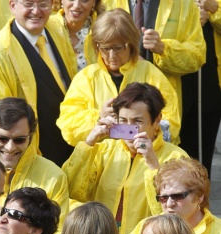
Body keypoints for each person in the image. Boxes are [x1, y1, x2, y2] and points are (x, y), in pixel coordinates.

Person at [62, 82, 187, 234]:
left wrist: (154, 167)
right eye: (123, 120)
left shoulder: (176, 158)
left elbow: (174, 217)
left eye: (137, 122)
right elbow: (71, 192)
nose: (129, 129)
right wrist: (87, 145)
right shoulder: (104, 150)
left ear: (157, 121)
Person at [57, 9, 180, 147]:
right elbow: (68, 126)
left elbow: (171, 123)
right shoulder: (86, 77)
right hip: (100, 163)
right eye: (105, 48)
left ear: (131, 44)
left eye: (118, 48)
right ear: (96, 46)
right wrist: (98, 118)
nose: (111, 56)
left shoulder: (150, 73)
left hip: (143, 158)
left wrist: (138, 130)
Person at [0, 0, 77, 167]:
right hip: (32, 157)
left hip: (69, 146)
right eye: (29, 4)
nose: (36, 11)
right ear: (13, 5)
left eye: (43, 4)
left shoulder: (56, 30)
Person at [0, 97, 70, 234]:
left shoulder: (53, 176)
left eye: (19, 140)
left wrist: (8, 229)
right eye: (2, 138)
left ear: (31, 136)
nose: (10, 147)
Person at [104, 0, 206, 116]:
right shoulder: (108, 2)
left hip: (161, 102)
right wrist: (126, 56)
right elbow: (94, 49)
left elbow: (197, 56)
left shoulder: (184, 4)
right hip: (115, 99)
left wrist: (163, 49)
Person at [180, 0, 221, 178]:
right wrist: (189, 19)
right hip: (175, 65)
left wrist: (214, 10)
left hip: (209, 73)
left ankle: (200, 190)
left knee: (203, 137)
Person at [49, 0, 104, 70]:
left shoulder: (104, 30)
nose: (76, 6)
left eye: (84, 0)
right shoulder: (47, 27)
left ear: (94, 2)